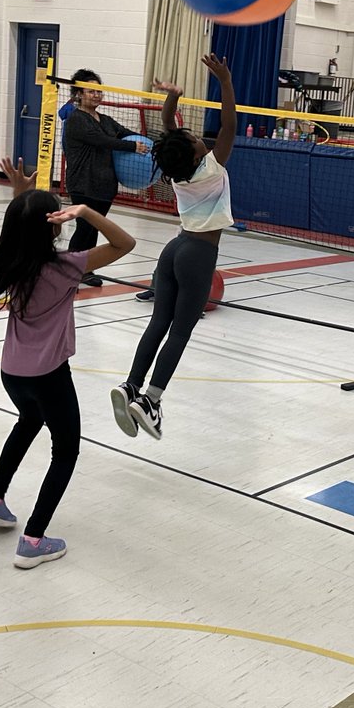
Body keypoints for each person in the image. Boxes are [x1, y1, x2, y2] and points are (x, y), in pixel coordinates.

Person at [0, 158, 136, 569]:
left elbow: (24, 230)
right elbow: (125, 244)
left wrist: (22, 198)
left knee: (28, 420)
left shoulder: (10, 263)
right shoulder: (67, 266)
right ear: (55, 224)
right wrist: (87, 211)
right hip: (48, 375)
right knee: (66, 450)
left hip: (12, 373)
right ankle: (33, 540)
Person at [110, 53, 235, 440]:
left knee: (158, 322)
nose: (199, 137)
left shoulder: (178, 170)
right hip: (198, 254)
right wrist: (225, 82)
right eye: (197, 139)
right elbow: (230, 123)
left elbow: (168, 128)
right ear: (198, 153)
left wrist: (174, 96)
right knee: (180, 330)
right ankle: (151, 400)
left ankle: (131, 384)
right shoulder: (212, 167)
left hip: (173, 249)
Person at [61, 68, 149, 288]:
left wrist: (150, 143)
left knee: (93, 229)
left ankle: (86, 268)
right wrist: (131, 146)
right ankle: (72, 270)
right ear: (79, 93)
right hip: (83, 183)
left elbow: (125, 133)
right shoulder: (76, 120)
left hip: (105, 184)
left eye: (99, 91)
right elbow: (100, 140)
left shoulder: (107, 120)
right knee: (84, 228)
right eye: (91, 91)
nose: (96, 95)